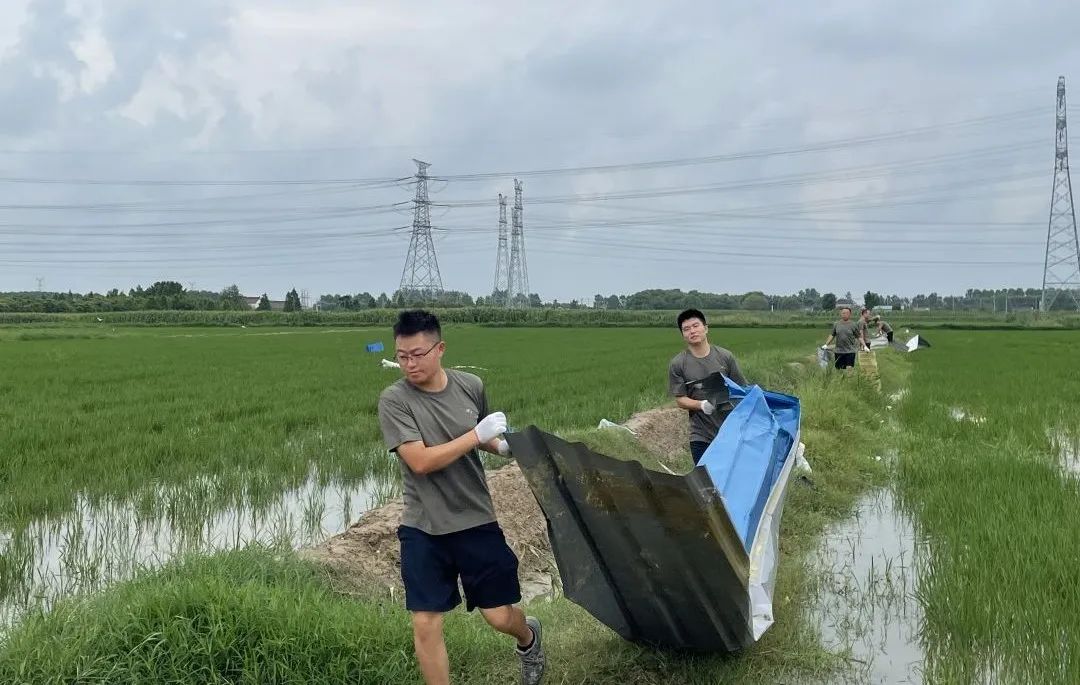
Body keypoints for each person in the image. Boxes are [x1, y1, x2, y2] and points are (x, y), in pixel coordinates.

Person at [377, 310, 546, 685]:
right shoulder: (394, 400)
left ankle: (528, 637)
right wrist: (475, 436)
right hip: (423, 525)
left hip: (474, 518)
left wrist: (499, 446)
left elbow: (476, 432)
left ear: (440, 349)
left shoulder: (470, 385)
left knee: (499, 616)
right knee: (425, 621)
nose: (409, 364)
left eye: (418, 354)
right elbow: (420, 461)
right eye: (402, 355)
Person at [668, 308, 748, 465]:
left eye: (695, 325)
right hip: (700, 435)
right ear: (683, 335)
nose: (692, 331)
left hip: (730, 431)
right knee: (707, 483)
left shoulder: (725, 357)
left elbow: (742, 390)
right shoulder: (678, 364)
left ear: (705, 328)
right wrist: (701, 405)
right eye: (686, 329)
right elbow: (680, 399)